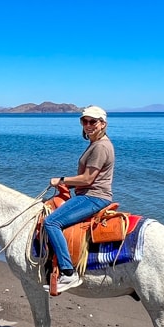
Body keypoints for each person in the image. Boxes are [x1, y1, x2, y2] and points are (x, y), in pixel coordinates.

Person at [44, 105, 115, 293]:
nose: (88, 125)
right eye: (85, 121)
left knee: (51, 222)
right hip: (91, 193)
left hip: (94, 197)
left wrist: (61, 180)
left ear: (103, 124)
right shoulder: (96, 144)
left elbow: (88, 179)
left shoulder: (100, 147)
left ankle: (69, 273)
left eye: (93, 121)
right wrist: (68, 185)